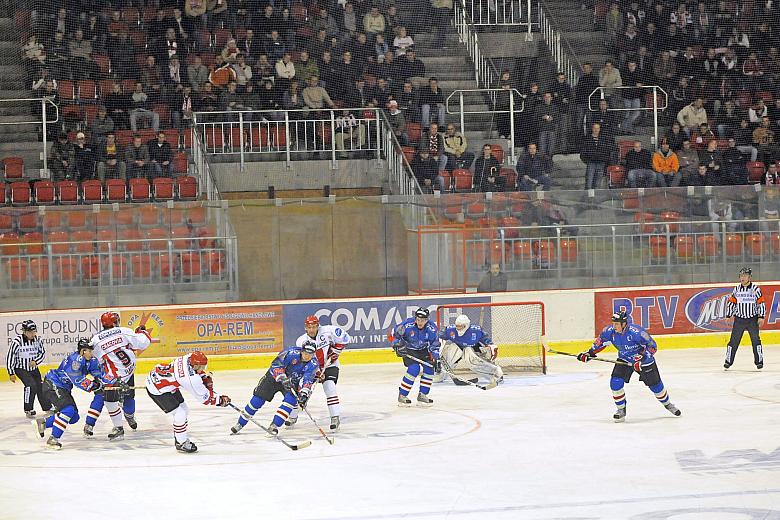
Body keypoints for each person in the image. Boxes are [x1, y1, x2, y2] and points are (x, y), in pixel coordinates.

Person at [577, 310, 681, 422]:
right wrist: (589, 354)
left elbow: (652, 346)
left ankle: (668, 404)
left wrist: (641, 358)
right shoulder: (609, 332)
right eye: (613, 323)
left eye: (617, 324)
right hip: (624, 359)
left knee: (656, 387)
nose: (614, 326)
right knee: (615, 382)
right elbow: (600, 343)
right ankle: (621, 410)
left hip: (644, 362)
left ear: (624, 323)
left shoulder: (637, 333)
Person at [146, 351, 230, 453]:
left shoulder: (188, 358)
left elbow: (196, 373)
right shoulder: (191, 379)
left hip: (163, 380)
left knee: (184, 409)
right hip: (157, 388)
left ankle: (179, 435)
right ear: (195, 365)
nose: (203, 369)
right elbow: (205, 399)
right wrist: (220, 400)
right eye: (201, 367)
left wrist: (203, 378)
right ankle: (181, 442)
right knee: (180, 413)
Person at [230, 342, 319, 436]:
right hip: (273, 378)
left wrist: (304, 394)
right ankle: (240, 423)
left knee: (290, 402)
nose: (307, 356)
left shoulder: (313, 364)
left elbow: (307, 380)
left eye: (310, 354)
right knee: (257, 400)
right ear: (301, 351)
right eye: (305, 353)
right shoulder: (290, 352)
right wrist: (282, 377)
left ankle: (274, 426)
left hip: (292, 383)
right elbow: (276, 364)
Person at [32, 338, 105, 450]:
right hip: (53, 383)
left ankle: (43, 423)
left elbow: (97, 373)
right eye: (89, 351)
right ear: (82, 351)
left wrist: (105, 381)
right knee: (68, 410)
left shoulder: (90, 360)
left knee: (74, 417)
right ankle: (53, 439)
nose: (91, 353)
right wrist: (94, 386)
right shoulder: (74, 360)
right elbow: (78, 380)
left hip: (63, 388)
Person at [89, 311, 152, 441]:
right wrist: (142, 332)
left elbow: (92, 358)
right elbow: (144, 343)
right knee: (129, 397)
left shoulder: (95, 339)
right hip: (128, 371)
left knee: (108, 401)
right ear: (115, 322)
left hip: (113, 376)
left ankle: (116, 427)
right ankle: (130, 417)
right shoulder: (124, 331)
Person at [283, 315, 351, 431]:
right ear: (305, 327)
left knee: (330, 387)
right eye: (309, 327)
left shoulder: (329, 331)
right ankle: (293, 416)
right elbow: (302, 360)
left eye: (314, 327)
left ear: (318, 326)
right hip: (310, 369)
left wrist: (336, 351)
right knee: (301, 393)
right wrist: (315, 371)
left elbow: (346, 338)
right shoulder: (301, 341)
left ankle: (335, 417)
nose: (312, 329)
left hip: (329, 365)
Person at [390, 307, 440, 407]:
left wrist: (435, 358)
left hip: (423, 350)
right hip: (409, 350)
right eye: (418, 319)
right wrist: (397, 345)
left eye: (423, 320)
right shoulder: (407, 325)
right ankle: (402, 396)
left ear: (427, 320)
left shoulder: (432, 328)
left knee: (429, 368)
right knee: (414, 369)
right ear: (415, 318)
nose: (420, 322)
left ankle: (422, 395)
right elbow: (394, 334)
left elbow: (435, 344)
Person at [439, 314, 504, 386]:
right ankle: (440, 375)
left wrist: (491, 345)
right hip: (458, 348)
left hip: (471, 349)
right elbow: (439, 337)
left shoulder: (476, 331)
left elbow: (486, 339)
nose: (458, 328)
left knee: (472, 361)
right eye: (457, 326)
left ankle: (495, 373)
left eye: (461, 326)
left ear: (466, 325)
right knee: (452, 352)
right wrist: (437, 349)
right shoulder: (450, 330)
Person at [5, 320, 51, 419]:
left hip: (34, 368)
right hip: (20, 368)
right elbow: (10, 357)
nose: (32, 334)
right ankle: (28, 409)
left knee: (41, 386)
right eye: (30, 332)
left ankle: (47, 407)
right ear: (24, 332)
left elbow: (42, 353)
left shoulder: (38, 339)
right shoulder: (17, 341)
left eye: (34, 331)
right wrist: (11, 373)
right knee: (31, 386)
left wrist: (36, 361)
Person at [724, 267, 765, 370]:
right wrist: (729, 315)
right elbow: (732, 303)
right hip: (739, 320)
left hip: (752, 319)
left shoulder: (755, 289)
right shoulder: (736, 289)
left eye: (745, 276)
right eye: (741, 275)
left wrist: (761, 316)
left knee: (756, 341)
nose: (742, 278)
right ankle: (728, 361)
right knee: (733, 341)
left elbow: (761, 303)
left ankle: (759, 361)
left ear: (749, 277)